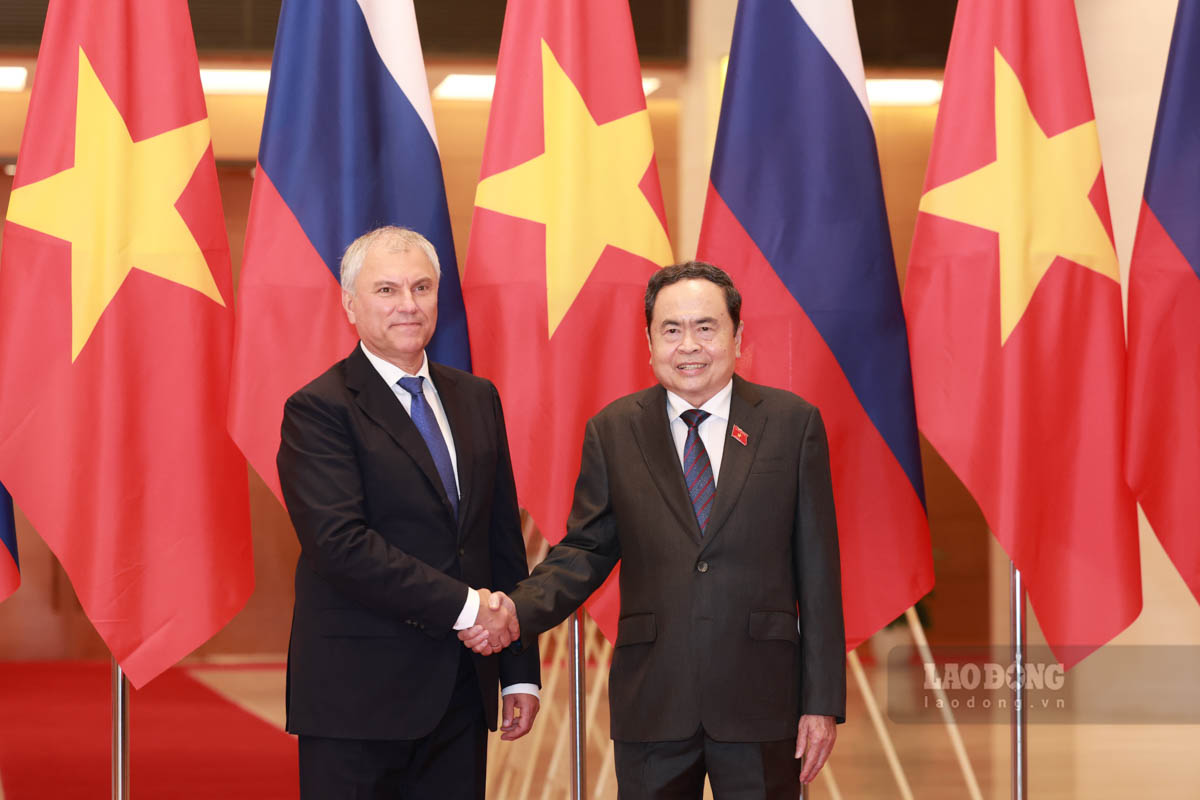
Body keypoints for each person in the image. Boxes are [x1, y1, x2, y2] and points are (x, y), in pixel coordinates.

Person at [462, 261, 845, 799]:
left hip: (762, 700)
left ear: (738, 337)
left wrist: (822, 700)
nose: (688, 344)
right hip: (654, 700)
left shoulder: (792, 424)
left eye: (706, 327)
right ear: (648, 343)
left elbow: (819, 572)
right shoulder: (614, 431)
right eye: (671, 329)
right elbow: (585, 551)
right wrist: (513, 612)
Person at [277, 226, 540, 799]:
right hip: (357, 700)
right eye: (387, 290)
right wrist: (469, 607)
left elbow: (498, 540)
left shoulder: (476, 397)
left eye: (421, 287)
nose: (408, 305)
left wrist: (519, 669)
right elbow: (340, 545)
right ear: (351, 304)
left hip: (461, 694)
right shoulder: (318, 409)